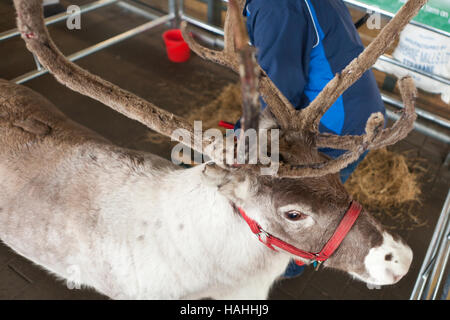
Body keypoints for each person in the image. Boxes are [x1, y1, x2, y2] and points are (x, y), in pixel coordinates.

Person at [240, 0, 386, 277]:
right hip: (358, 109)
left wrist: (244, 141)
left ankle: (281, 272)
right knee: (310, 205)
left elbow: (278, 93)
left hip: (335, 124)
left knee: (299, 207)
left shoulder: (274, 7)